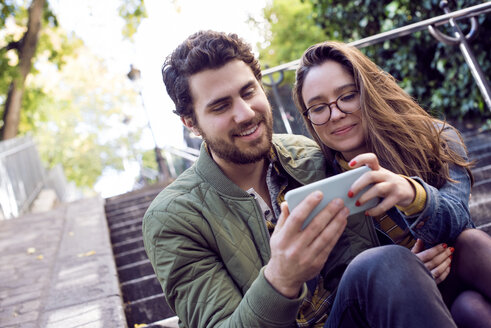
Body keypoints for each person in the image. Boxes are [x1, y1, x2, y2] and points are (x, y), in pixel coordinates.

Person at [142, 30, 458, 328]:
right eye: (221, 106)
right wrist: (280, 280)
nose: (246, 113)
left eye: (248, 92)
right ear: (191, 123)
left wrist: (405, 269)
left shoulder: (309, 156)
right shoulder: (172, 219)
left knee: (435, 285)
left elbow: (364, 261)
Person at [293, 40, 491, 328]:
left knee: (469, 297)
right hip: (381, 310)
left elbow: (458, 222)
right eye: (318, 107)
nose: (335, 114)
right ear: (309, 118)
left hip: (450, 281)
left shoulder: (435, 140)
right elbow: (332, 293)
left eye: (347, 96)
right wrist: (401, 273)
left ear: (368, 92)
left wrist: (413, 195)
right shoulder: (316, 184)